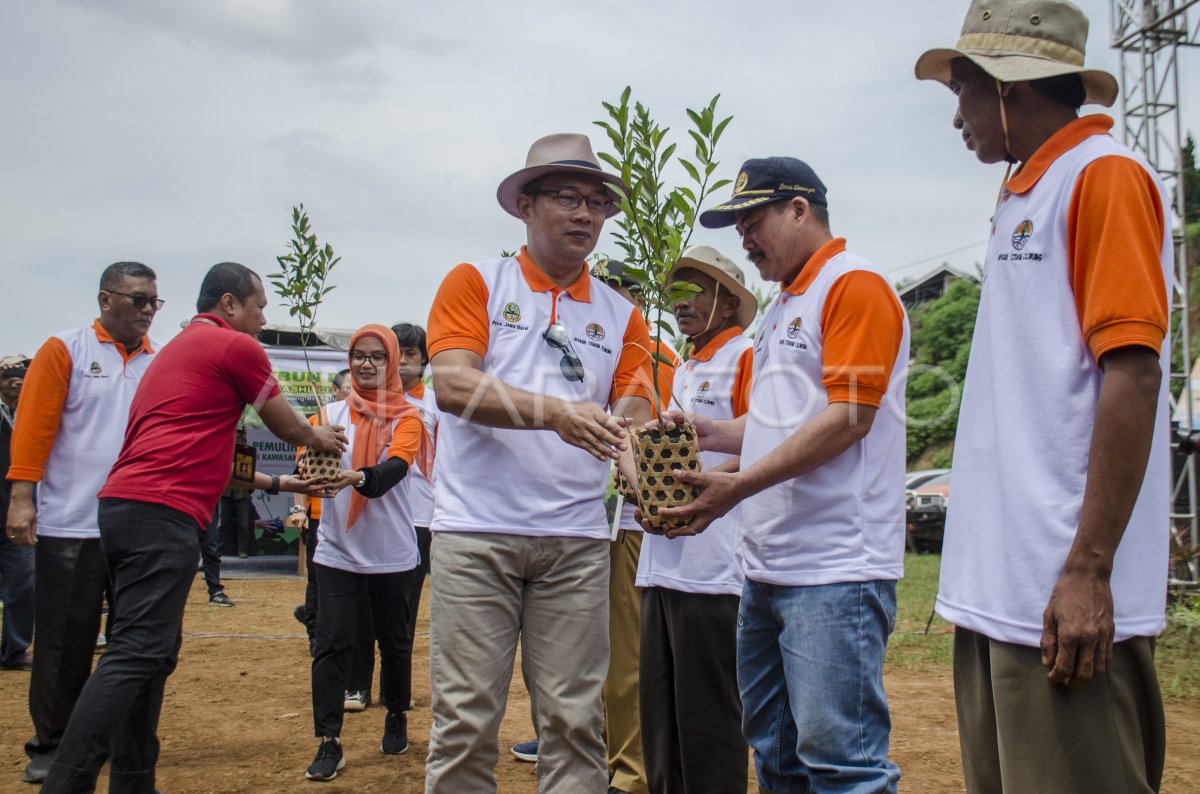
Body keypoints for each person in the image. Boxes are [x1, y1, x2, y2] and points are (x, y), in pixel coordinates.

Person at [915, 2, 1172, 791]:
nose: (955, 113)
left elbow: (1132, 372)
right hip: (1003, 596)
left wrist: (1089, 569)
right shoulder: (1025, 192)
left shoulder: (1103, 178)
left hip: (1063, 593)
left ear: (1005, 87)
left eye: (960, 89)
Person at [650, 158, 909, 792]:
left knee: (840, 760)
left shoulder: (854, 286)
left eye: (753, 219)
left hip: (834, 567)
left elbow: (849, 417)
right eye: (737, 222)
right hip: (767, 565)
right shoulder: (782, 306)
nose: (744, 235)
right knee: (775, 751)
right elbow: (780, 422)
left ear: (800, 209)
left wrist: (738, 485)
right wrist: (713, 434)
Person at [38, 262, 345, 794]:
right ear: (229, 304)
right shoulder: (235, 348)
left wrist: (286, 488)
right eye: (259, 305)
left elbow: (219, 463)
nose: (263, 316)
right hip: (161, 512)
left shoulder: (178, 350)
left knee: (151, 654)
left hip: (126, 507)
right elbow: (286, 424)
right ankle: (65, 781)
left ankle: (134, 781)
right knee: (136, 652)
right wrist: (322, 439)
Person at [424, 132, 655, 793]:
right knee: (466, 721)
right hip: (477, 534)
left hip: (577, 543)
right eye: (566, 197)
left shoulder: (623, 316)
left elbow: (633, 419)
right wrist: (556, 414)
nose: (585, 214)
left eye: (597, 202)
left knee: (575, 722)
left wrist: (643, 476)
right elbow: (453, 386)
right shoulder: (476, 283)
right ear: (525, 205)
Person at [6, 262, 162, 785]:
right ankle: (51, 743)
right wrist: (23, 497)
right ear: (105, 299)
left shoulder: (156, 361)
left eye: (153, 302)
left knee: (133, 640)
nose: (146, 311)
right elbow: (33, 428)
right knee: (63, 641)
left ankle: (123, 743)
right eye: (137, 299)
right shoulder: (65, 349)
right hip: (72, 522)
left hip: (137, 524)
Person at [635, 246, 754, 794]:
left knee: (707, 715)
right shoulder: (683, 368)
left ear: (729, 302)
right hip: (661, 559)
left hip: (713, 564)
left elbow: (769, 439)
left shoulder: (745, 357)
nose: (680, 303)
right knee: (660, 713)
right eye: (675, 292)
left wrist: (715, 487)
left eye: (694, 291)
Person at [303, 323, 433, 782]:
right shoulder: (329, 415)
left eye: (378, 356)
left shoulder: (408, 416)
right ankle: (328, 741)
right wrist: (309, 462)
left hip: (392, 551)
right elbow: (308, 462)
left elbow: (395, 468)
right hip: (337, 548)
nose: (366, 363)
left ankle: (396, 712)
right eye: (360, 354)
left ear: (393, 362)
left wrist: (357, 477)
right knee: (331, 643)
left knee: (394, 642)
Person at [590, 259, 678, 794]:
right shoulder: (601, 348)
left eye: (616, 292)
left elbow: (653, 429)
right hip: (590, 520)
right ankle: (608, 751)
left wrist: (642, 481)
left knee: (626, 653)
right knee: (597, 649)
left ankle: (631, 770)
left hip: (630, 515)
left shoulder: (655, 355)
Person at [290, 368, 352, 655]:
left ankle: (322, 621)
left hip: (352, 513)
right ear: (336, 392)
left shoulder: (370, 420)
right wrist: (298, 509)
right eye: (348, 388)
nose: (354, 394)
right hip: (319, 513)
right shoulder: (315, 423)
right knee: (317, 578)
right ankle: (315, 631)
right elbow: (300, 473)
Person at [0, 354, 35, 672]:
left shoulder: (36, 417)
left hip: (18, 516)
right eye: (8, 377)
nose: (16, 382)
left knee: (24, 581)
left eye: (23, 376)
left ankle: (14, 649)